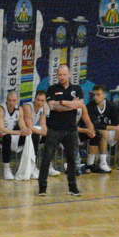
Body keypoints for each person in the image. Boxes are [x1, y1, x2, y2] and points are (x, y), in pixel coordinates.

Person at [38, 64, 84, 196]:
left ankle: (72, 187)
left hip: (71, 130)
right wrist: (71, 104)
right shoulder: (52, 89)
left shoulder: (77, 89)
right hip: (54, 129)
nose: (62, 77)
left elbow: (80, 104)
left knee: (72, 159)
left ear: (69, 75)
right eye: (59, 75)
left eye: (64, 74)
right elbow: (53, 107)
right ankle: (42, 188)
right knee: (47, 158)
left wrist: (63, 102)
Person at [0, 90, 31, 180]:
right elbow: (1, 129)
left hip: (9, 133)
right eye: (9, 100)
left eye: (14, 100)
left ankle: (29, 166)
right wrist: (18, 132)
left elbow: (22, 124)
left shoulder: (19, 109)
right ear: (6, 100)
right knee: (6, 137)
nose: (11, 103)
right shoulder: (0, 109)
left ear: (17, 100)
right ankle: (6, 168)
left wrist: (25, 130)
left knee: (28, 136)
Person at [86, 86, 119, 173]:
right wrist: (115, 128)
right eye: (94, 95)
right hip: (93, 132)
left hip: (108, 132)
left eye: (98, 94)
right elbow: (95, 125)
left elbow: (118, 120)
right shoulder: (89, 106)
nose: (95, 97)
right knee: (104, 133)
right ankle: (103, 162)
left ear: (105, 95)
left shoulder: (111, 105)